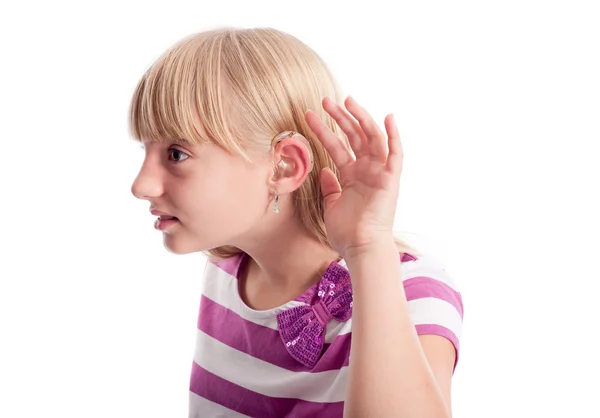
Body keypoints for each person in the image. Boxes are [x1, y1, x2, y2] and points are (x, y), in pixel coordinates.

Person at [129, 27, 463, 418]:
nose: (141, 185)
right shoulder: (224, 272)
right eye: (145, 150)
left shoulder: (414, 296)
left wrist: (368, 249)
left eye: (176, 154)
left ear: (284, 166)